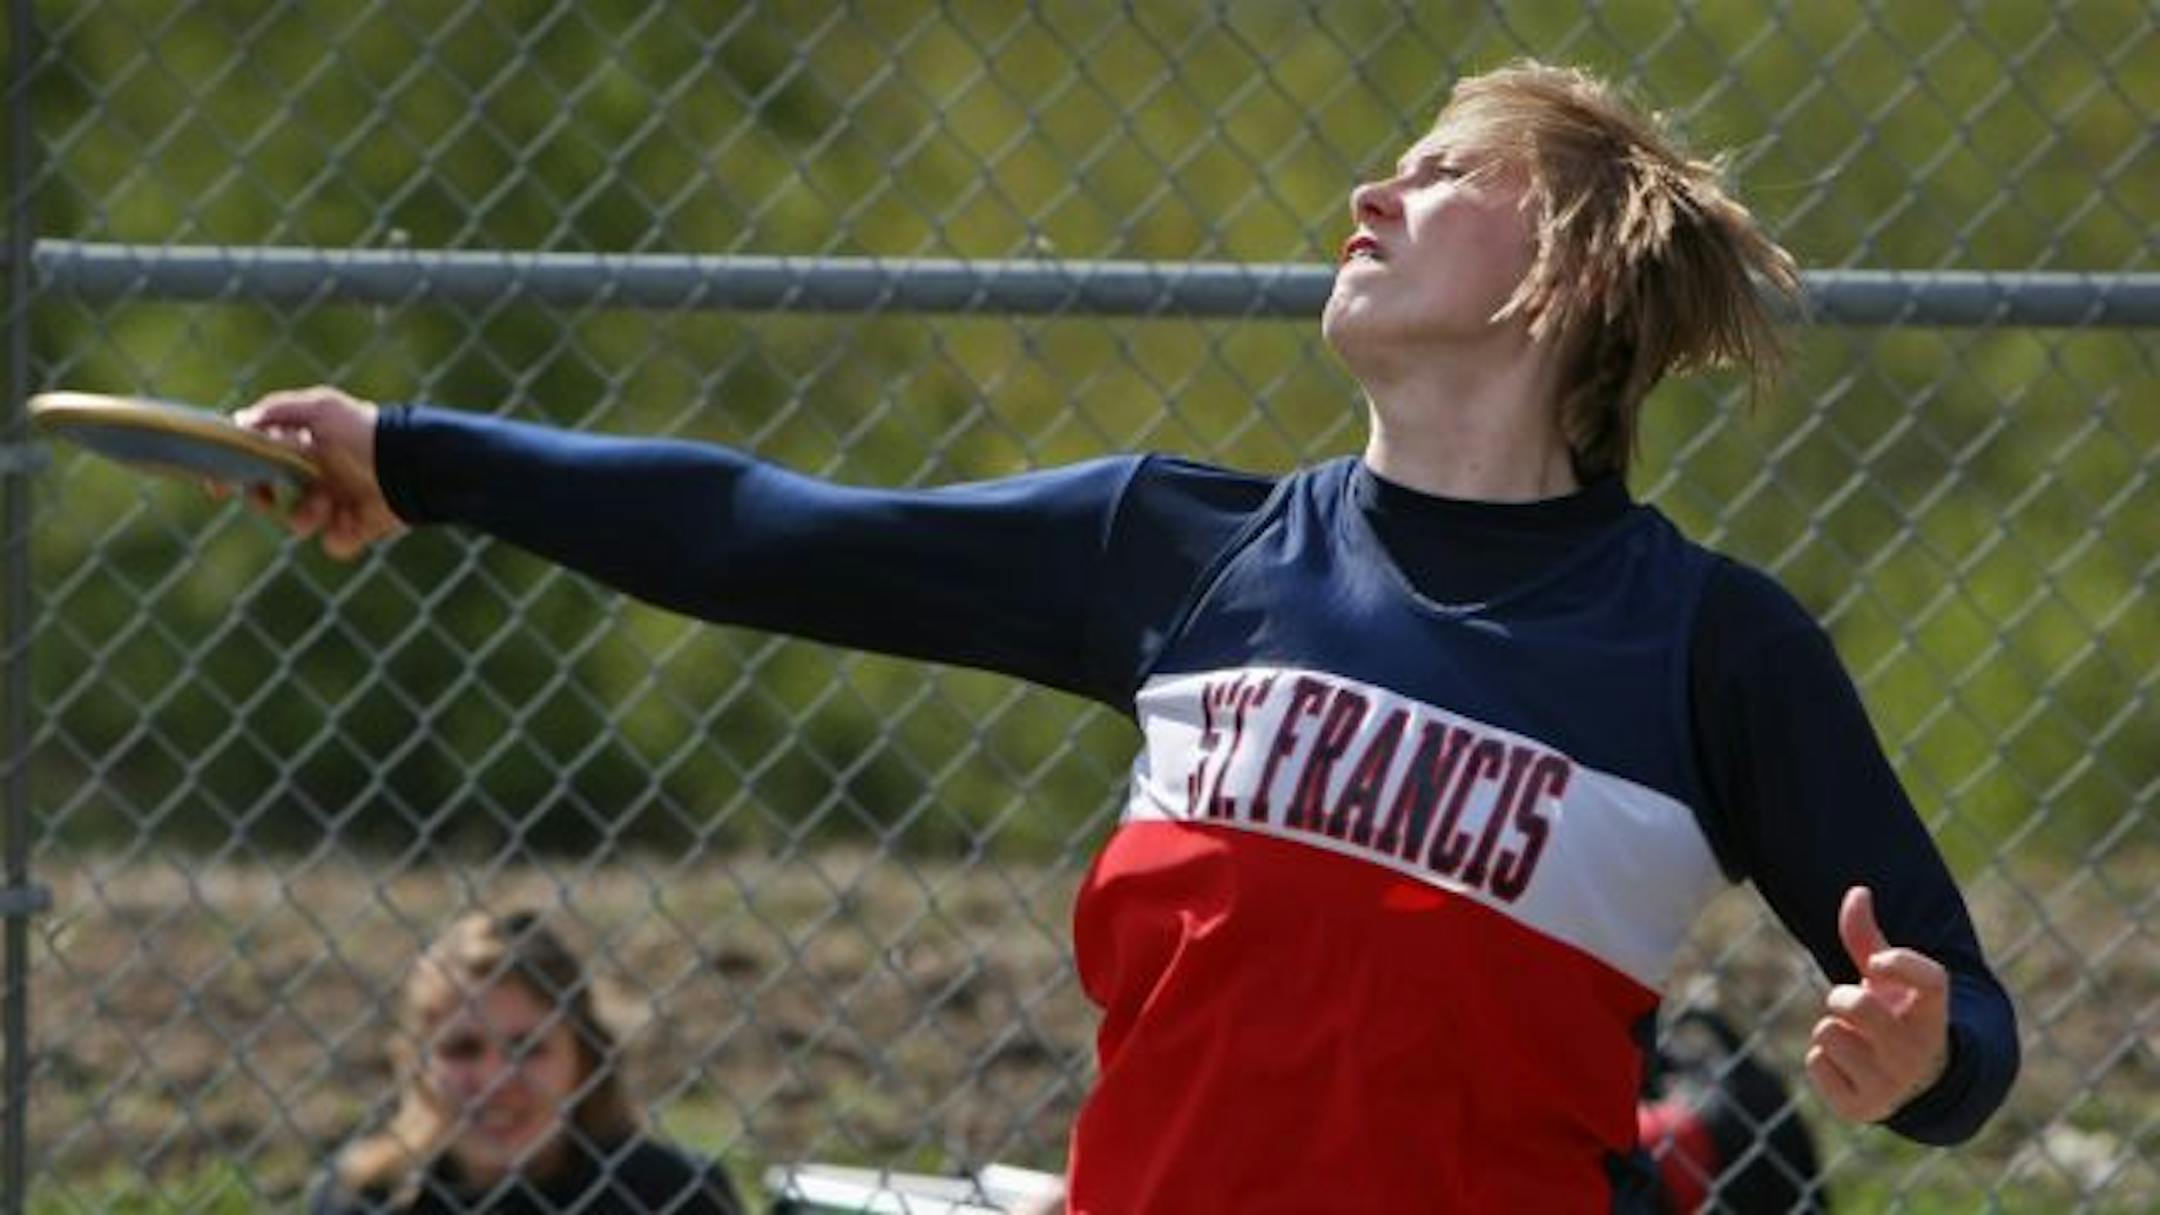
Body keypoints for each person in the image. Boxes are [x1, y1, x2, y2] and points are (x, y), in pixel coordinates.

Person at [246, 59, 2018, 1213]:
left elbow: (1968, 1039)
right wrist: (424, 457)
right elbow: (766, 535)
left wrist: (1920, 1056)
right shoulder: (1179, 549)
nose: (1371, 197)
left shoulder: (1712, 647)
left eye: (1441, 171)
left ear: (1572, 270)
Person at [309, 910, 743, 1214]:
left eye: (528, 1048)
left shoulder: (666, 1194)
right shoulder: (366, 1197)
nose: (497, 1080)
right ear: (417, 1063)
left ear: (584, 1060)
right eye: (463, 1049)